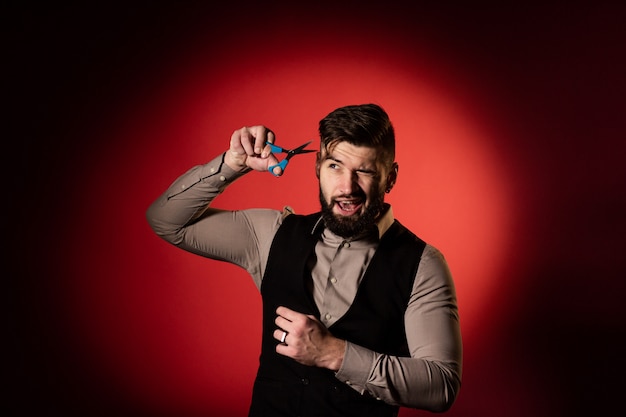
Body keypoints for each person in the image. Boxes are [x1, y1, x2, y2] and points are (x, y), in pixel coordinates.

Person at [146, 103, 462, 416]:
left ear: (390, 177)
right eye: (334, 166)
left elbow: (441, 386)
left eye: (364, 171)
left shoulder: (422, 263)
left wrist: (335, 354)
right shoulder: (271, 234)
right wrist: (232, 164)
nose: (346, 187)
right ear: (317, 168)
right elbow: (166, 219)